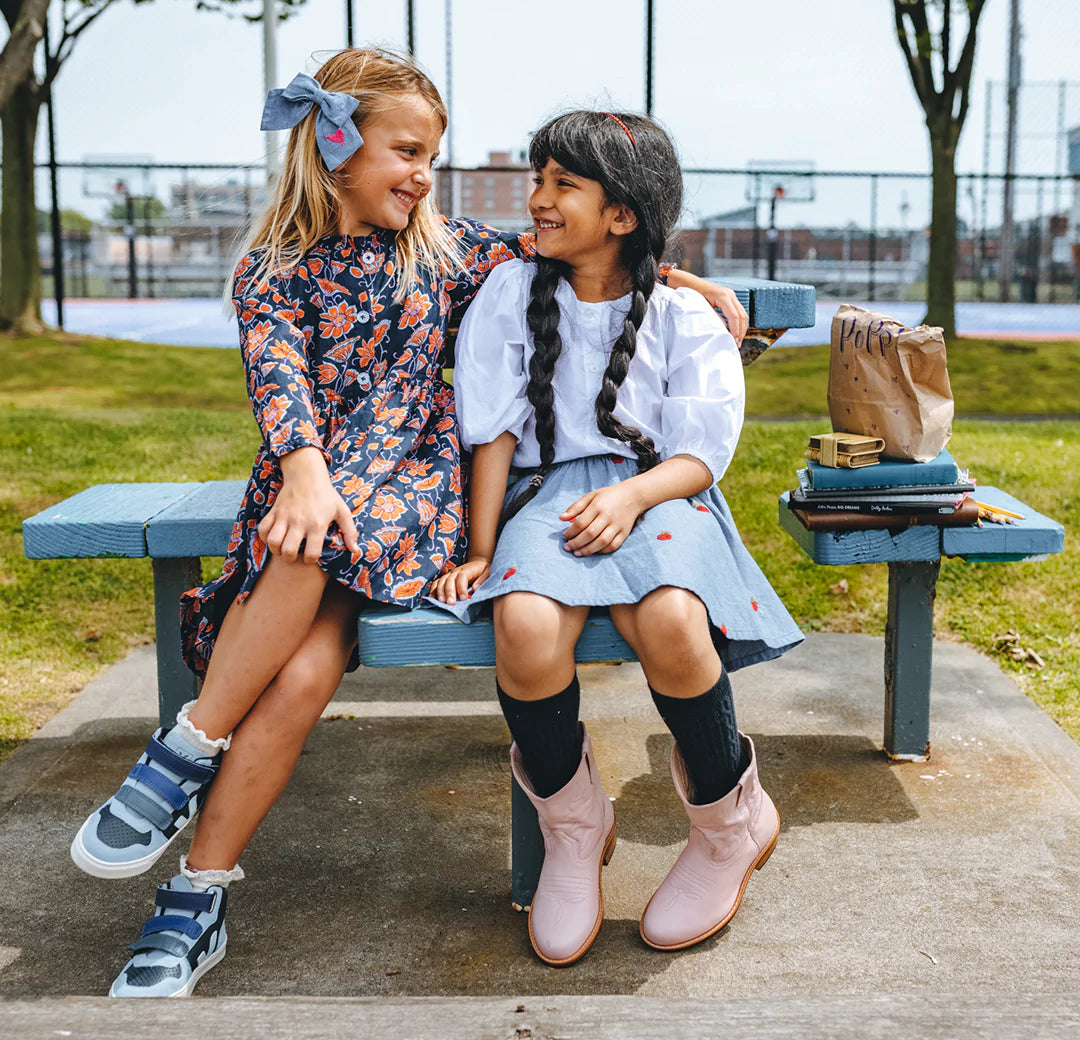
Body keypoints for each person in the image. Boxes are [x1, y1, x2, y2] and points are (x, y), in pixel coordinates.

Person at [68, 51, 748, 996]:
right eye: (407, 150)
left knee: (307, 584)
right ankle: (197, 867)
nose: (424, 173)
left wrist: (681, 279)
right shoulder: (272, 268)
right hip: (318, 500)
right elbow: (279, 381)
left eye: (432, 154)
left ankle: (185, 780)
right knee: (303, 662)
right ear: (333, 146)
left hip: (411, 501)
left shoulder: (448, 248)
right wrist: (305, 471)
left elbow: (589, 247)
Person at [431, 110, 804, 967]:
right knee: (521, 625)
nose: (539, 199)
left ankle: (726, 825)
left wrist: (633, 496)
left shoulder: (680, 311)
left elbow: (700, 454)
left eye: (564, 184)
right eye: (539, 180)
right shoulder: (508, 292)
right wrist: (483, 548)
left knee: (673, 619)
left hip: (662, 490)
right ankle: (572, 826)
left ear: (623, 216)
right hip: (547, 494)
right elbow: (490, 432)